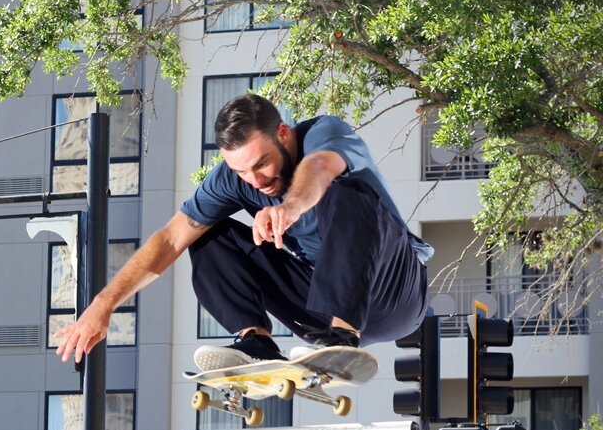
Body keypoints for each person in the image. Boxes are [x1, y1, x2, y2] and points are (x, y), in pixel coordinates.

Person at [55, 93, 432, 369]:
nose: (256, 180)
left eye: (262, 163)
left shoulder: (324, 134)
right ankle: (257, 345)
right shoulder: (231, 180)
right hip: (318, 301)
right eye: (241, 172)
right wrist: (102, 305)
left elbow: (320, 168)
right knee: (209, 233)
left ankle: (342, 339)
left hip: (394, 291)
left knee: (348, 192)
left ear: (283, 133)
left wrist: (289, 207)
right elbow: (170, 239)